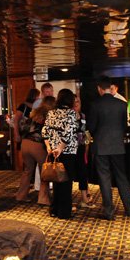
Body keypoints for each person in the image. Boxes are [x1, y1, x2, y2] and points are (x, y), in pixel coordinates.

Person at [88, 77, 130, 220]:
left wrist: (97, 135)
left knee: (104, 179)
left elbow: (91, 127)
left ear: (99, 88)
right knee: (122, 177)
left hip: (101, 146)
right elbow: (124, 126)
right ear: (110, 87)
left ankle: (108, 211)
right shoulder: (122, 104)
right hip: (118, 146)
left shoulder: (95, 105)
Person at [42, 89, 79, 219]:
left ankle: (54, 209)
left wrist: (49, 147)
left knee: (56, 181)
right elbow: (68, 134)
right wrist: (60, 148)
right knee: (66, 183)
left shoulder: (51, 113)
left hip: (53, 151)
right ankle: (64, 212)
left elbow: (44, 131)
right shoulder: (71, 113)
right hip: (67, 151)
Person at [15, 96, 53, 205]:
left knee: (27, 171)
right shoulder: (49, 115)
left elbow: (24, 127)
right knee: (44, 172)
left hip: (25, 143)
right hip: (38, 144)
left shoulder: (34, 113)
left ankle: (21, 195)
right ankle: (43, 198)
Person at [73, 93, 92, 208]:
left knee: (83, 172)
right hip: (69, 149)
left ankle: (84, 198)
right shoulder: (68, 116)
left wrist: (87, 143)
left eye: (78, 102)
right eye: (74, 102)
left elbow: (86, 132)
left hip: (81, 148)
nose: (76, 104)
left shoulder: (83, 116)